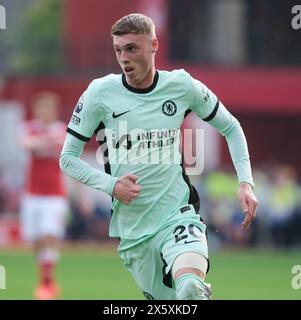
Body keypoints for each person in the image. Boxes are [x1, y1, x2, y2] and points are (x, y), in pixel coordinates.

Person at [60, 13, 258, 300]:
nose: (124, 58)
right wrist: (111, 185)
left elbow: (230, 126)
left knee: (188, 288)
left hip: (177, 216)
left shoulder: (180, 85)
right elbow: (67, 158)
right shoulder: (99, 93)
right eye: (118, 50)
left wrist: (245, 183)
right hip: (133, 232)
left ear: (153, 44)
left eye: (132, 48)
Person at [19, 91, 68, 300]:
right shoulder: (28, 127)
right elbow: (25, 143)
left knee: (49, 235)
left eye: (46, 108)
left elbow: (65, 146)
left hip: (55, 194)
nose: (43, 112)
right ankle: (45, 277)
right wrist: (47, 140)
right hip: (32, 194)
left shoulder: (62, 129)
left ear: (54, 111)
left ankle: (47, 284)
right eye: (40, 108)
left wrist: (43, 141)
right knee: (36, 239)